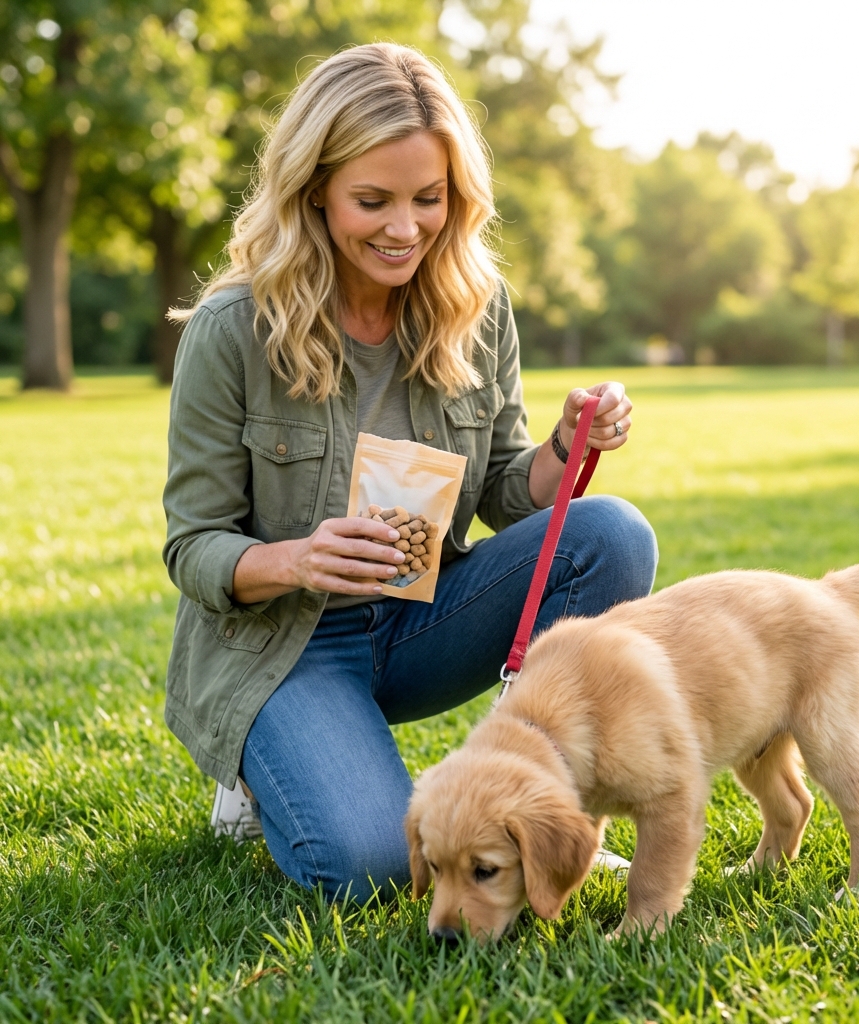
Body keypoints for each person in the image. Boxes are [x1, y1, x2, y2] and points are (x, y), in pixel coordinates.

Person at [163, 42, 657, 903]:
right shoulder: (232, 328)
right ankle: (260, 763)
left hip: (425, 618)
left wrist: (564, 447)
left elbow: (509, 491)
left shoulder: (475, 302)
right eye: (373, 200)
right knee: (373, 866)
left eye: (428, 199)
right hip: (287, 645)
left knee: (611, 533)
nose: (404, 228)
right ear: (314, 189)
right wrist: (296, 559)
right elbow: (192, 546)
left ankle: (550, 818)